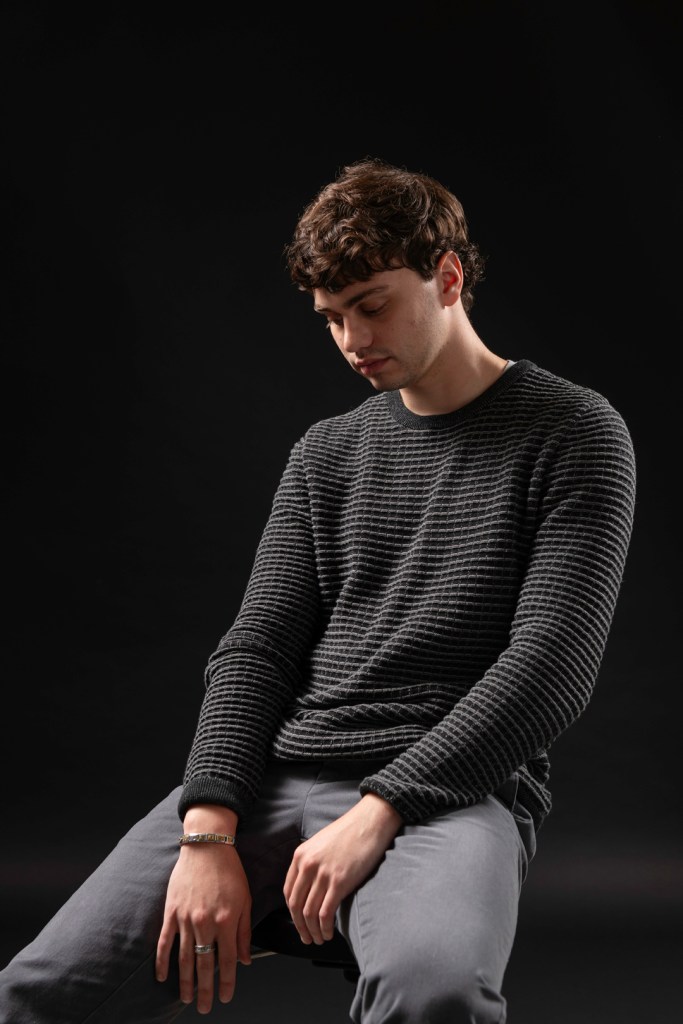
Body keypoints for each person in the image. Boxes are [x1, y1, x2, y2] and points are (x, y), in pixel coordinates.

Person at [0, 157, 637, 1024]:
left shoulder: (572, 431)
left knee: (434, 995)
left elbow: (549, 669)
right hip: (277, 776)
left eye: (371, 305)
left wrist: (382, 807)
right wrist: (209, 828)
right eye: (331, 318)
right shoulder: (326, 453)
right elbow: (256, 650)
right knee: (34, 994)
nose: (350, 339)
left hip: (454, 791)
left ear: (447, 278)